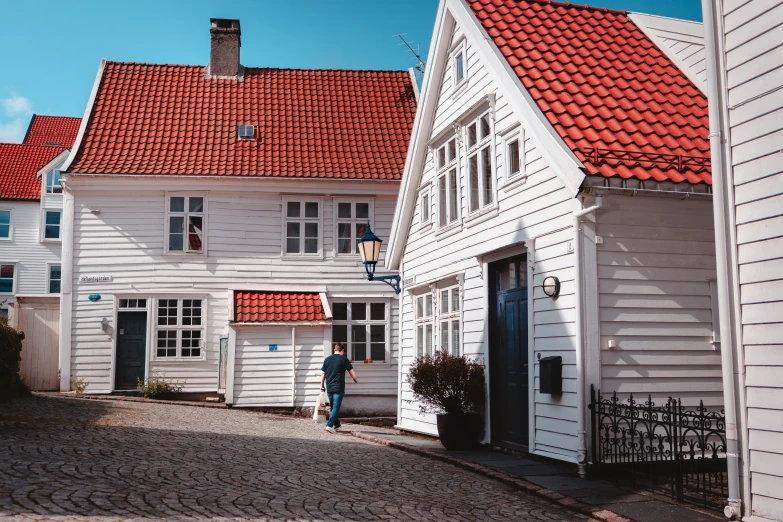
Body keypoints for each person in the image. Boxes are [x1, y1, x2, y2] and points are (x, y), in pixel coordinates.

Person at [320, 342, 358, 433]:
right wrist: (355, 379)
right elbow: (351, 372)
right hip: (339, 387)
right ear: (342, 350)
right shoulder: (344, 359)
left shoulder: (327, 360)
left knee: (333, 407)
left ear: (335, 350)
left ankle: (337, 425)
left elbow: (323, 374)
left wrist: (322, 386)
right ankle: (329, 425)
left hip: (329, 387)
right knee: (336, 407)